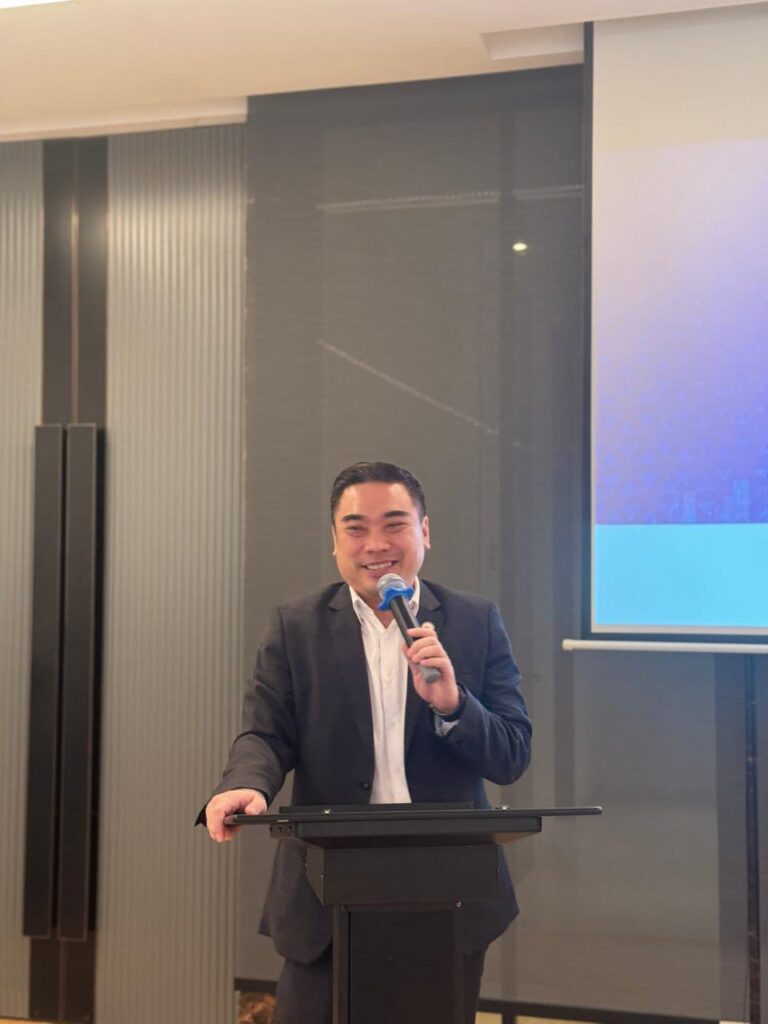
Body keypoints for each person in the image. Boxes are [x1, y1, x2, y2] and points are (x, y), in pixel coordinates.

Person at [200, 461, 532, 1024]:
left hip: (445, 889)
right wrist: (245, 784)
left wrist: (454, 705)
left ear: (425, 531)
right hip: (327, 889)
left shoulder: (474, 622)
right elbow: (265, 733)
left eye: (394, 524)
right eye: (356, 528)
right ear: (335, 541)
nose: (376, 545)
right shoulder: (296, 626)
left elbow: (512, 754)